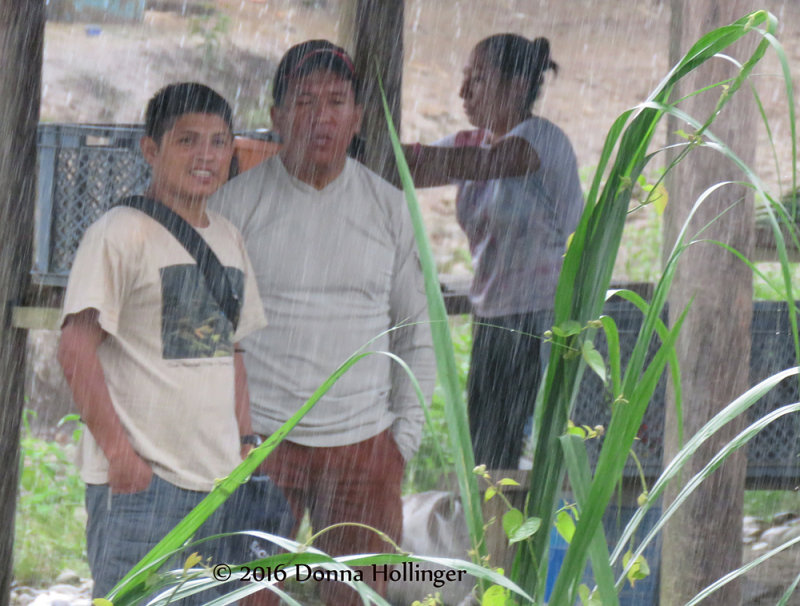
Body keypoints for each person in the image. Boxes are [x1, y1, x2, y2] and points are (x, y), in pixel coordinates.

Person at [211, 39, 436, 605]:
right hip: (261, 444)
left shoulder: (388, 207)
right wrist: (230, 439)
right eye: (304, 101)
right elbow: (211, 334)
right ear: (277, 114)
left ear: (358, 117)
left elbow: (418, 328)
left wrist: (401, 440)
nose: (321, 117)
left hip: (364, 445)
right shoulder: (236, 206)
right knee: (246, 597)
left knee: (359, 597)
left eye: (336, 101)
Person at [57, 83, 273, 601]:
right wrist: (121, 456)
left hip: (218, 483)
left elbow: (232, 350)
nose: (206, 156)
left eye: (219, 142)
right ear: (150, 149)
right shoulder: (118, 233)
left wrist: (245, 442)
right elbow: (74, 347)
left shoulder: (228, 236)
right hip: (145, 483)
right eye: (187, 141)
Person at [403, 34, 584, 470]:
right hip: (496, 322)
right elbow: (415, 166)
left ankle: (529, 540)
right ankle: (493, 539)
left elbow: (479, 163)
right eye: (465, 80)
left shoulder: (540, 140)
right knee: (488, 461)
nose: (464, 93)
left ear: (518, 85)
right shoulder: (474, 144)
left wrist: (403, 156)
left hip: (545, 323)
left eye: (478, 79)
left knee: (532, 461)